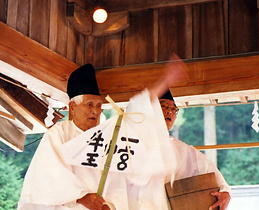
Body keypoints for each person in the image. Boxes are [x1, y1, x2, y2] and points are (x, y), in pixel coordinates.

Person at [18, 55, 186, 210]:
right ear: (72, 107)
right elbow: (48, 174)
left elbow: (118, 179)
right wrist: (81, 196)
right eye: (89, 104)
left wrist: (109, 205)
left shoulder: (108, 135)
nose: (95, 111)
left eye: (99, 106)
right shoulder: (60, 133)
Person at [159, 89, 231, 210]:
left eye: (173, 109)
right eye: (163, 106)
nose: (169, 112)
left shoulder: (183, 150)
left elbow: (211, 171)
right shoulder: (132, 143)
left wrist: (225, 191)